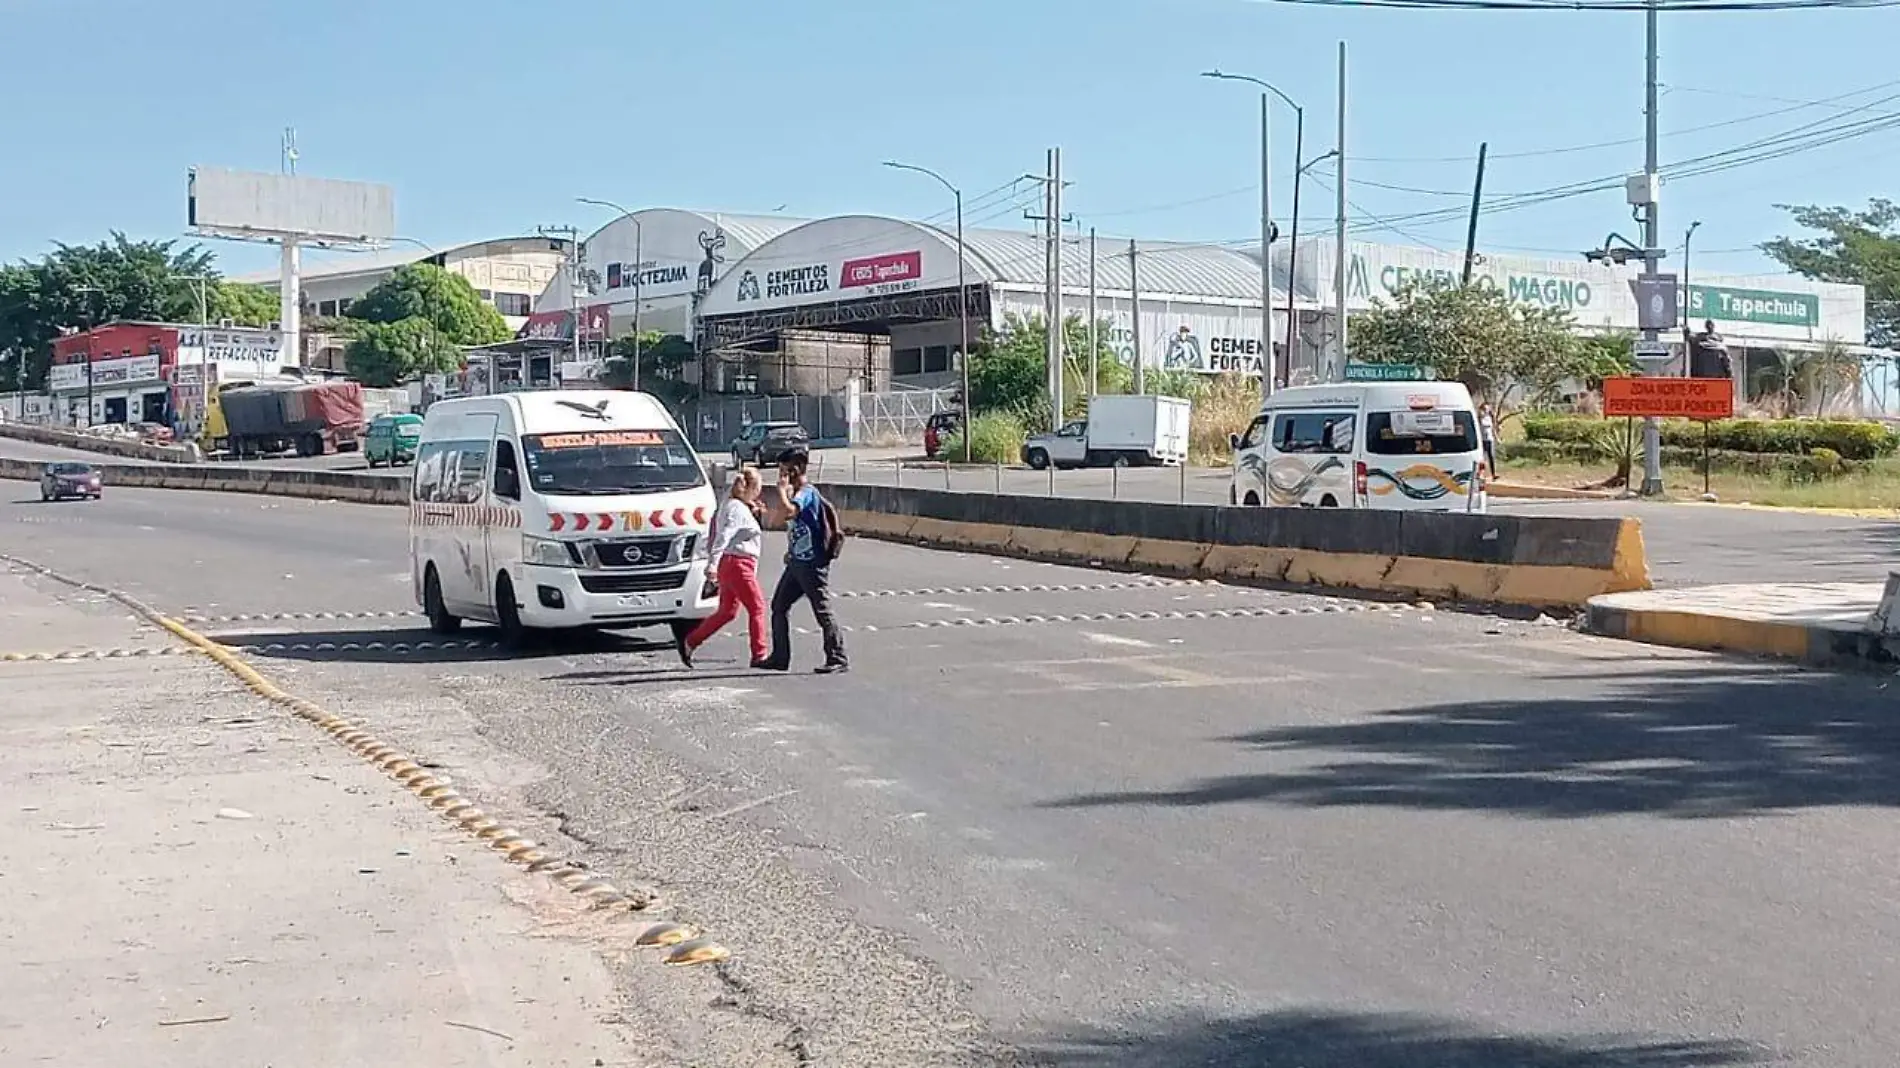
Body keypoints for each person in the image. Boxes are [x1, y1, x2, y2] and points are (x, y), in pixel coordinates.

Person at [758, 447, 847, 674]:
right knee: (779, 606)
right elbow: (791, 524)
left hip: (812, 564)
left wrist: (780, 491)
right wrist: (791, 551)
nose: (780, 476)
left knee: (822, 609)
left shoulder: (807, 493)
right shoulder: (797, 493)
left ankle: (837, 657)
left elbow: (791, 510)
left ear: (794, 470)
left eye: (783, 470)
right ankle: (780, 657)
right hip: (797, 562)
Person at [676, 465, 769, 669]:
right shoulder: (737, 509)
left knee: (728, 611)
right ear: (751, 488)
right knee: (757, 607)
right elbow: (723, 536)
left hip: (731, 563)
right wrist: (713, 564)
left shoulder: (731, 504)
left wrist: (752, 509)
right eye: (758, 489)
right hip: (738, 563)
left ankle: (690, 641)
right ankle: (759, 653)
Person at [1477, 401, 1499, 476]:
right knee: (1482, 458)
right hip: (1482, 440)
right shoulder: (1480, 418)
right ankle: (1481, 474)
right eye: (1485, 408)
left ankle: (1494, 474)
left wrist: (1497, 438)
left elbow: (1493, 429)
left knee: (1491, 456)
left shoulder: (1490, 418)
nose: (1487, 410)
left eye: (1488, 408)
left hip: (1490, 439)